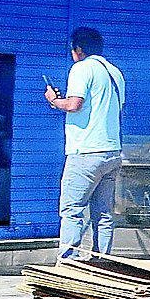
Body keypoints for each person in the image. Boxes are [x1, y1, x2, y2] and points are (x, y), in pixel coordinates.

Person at [45, 27, 126, 261]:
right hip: (111, 151)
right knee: (103, 213)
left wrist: (54, 100)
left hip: (86, 152)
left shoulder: (81, 68)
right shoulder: (115, 73)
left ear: (78, 50)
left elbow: (74, 104)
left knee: (72, 210)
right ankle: (103, 261)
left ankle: (69, 262)